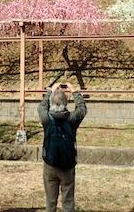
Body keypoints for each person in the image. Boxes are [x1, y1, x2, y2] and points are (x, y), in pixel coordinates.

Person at [38, 82, 87, 212]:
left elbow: (41, 107)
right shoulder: (71, 119)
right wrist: (74, 91)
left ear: (52, 102)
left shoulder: (46, 119)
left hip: (50, 164)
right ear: (66, 103)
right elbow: (82, 109)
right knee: (68, 201)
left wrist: (50, 92)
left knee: (50, 201)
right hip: (68, 165)